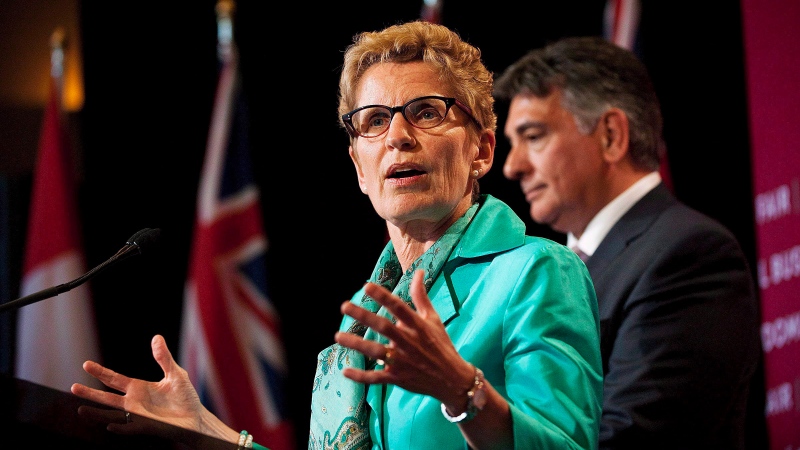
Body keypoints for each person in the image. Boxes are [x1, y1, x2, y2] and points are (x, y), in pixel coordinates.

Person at [70, 21, 604, 450]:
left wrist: (462, 393)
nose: (397, 136)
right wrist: (210, 433)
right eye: (373, 121)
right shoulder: (350, 341)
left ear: (481, 151)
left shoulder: (535, 272)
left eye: (426, 113)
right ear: (358, 167)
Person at [493, 36, 764, 449]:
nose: (512, 166)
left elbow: (630, 438)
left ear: (611, 136)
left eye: (533, 136)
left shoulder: (690, 256)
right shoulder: (536, 271)